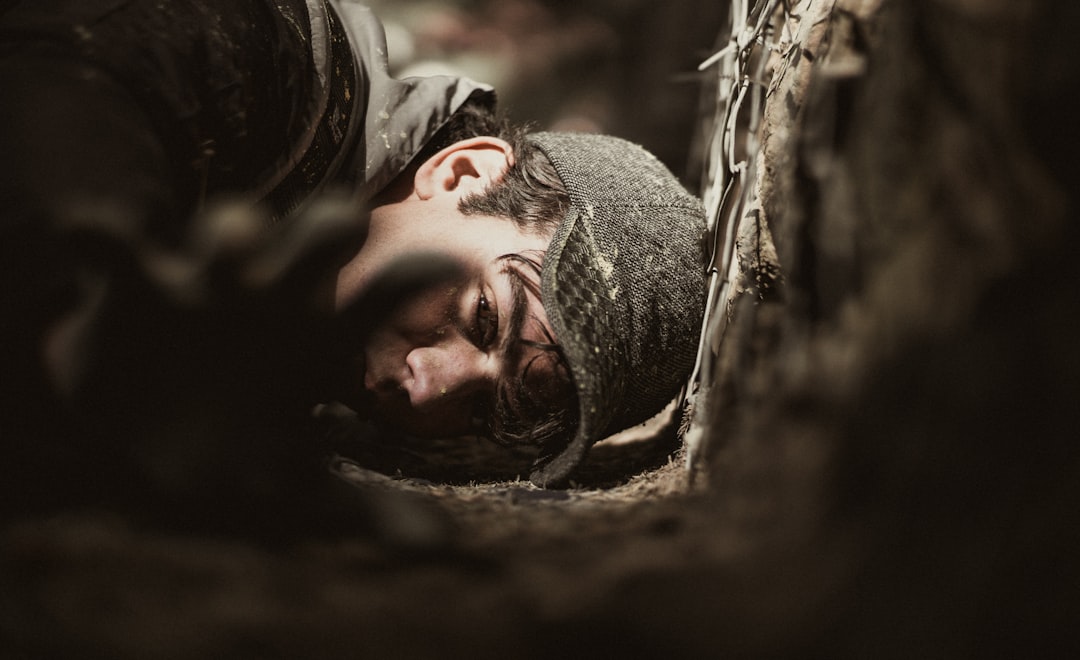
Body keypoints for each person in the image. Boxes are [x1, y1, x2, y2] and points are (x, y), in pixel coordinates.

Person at [0, 0, 707, 505]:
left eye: (486, 409)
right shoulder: (258, 39)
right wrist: (101, 343)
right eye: (483, 317)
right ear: (462, 173)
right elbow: (49, 87)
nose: (426, 387)